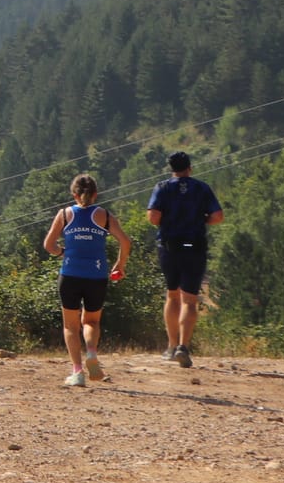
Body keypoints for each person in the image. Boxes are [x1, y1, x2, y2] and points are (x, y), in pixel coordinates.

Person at [43, 173, 132, 388]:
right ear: (95, 194)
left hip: (70, 274)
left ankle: (77, 372)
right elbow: (125, 241)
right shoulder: (105, 216)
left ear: (74, 194)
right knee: (91, 321)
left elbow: (49, 245)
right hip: (96, 276)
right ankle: (91, 352)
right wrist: (120, 265)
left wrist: (63, 252)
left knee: (70, 326)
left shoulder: (64, 214)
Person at [146, 151, 224, 368]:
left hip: (170, 247)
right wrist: (200, 221)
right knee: (189, 299)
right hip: (194, 246)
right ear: (190, 167)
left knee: (172, 296)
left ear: (172, 169)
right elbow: (218, 216)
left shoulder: (162, 187)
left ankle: (171, 347)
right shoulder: (201, 188)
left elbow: (153, 217)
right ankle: (184, 346)